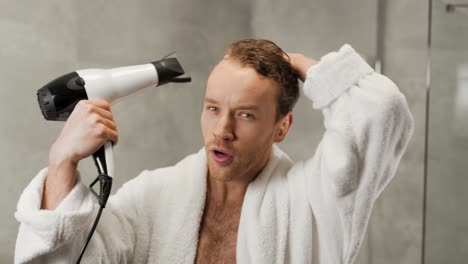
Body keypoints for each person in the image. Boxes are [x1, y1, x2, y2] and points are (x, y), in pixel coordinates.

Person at [14, 39, 414, 264]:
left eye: (245, 114)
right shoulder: (156, 196)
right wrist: (62, 160)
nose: (222, 131)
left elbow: (381, 111)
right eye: (213, 108)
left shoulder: (315, 199)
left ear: (282, 127)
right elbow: (65, 257)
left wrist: (290, 61)